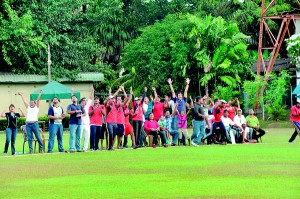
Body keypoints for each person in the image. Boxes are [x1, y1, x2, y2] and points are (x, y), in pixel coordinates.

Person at [79, 87, 94, 152]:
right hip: (80, 124)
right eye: (83, 101)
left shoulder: (86, 106)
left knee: (87, 137)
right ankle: (78, 147)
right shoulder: (78, 106)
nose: (84, 102)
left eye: (85, 101)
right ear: (81, 102)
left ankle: (85, 148)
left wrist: (92, 91)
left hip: (87, 124)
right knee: (79, 137)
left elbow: (90, 98)